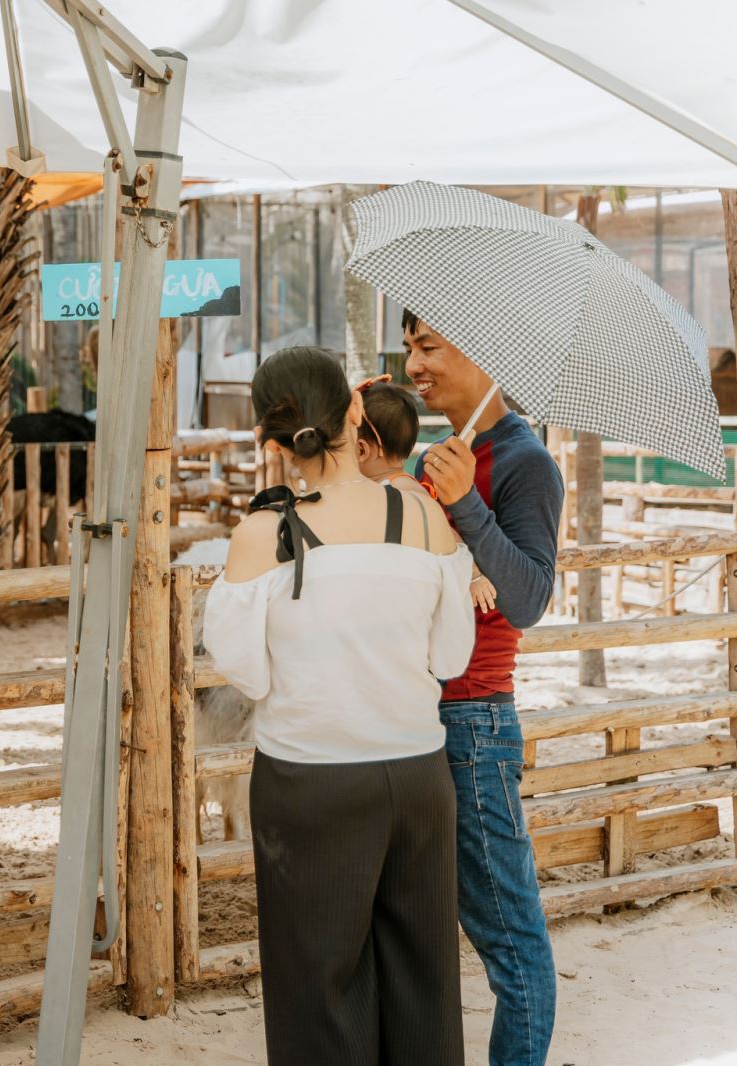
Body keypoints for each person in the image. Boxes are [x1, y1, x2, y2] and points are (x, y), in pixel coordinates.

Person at [206, 346, 476, 1065]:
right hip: (418, 777)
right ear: (356, 413)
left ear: (271, 439)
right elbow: (450, 659)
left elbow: (241, 670)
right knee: (423, 983)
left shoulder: (263, 535)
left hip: (310, 784)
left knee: (318, 989)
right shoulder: (425, 521)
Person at [406, 311, 563, 1066]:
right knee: (417, 928)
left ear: (486, 352)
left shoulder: (527, 462)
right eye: (408, 348)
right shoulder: (436, 455)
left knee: (510, 938)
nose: (414, 365)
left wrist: (466, 501)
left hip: (472, 726)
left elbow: (530, 598)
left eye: (428, 345)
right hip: (405, 716)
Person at [355, 374, 498, 613]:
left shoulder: (402, 491)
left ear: (362, 449)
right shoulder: (380, 489)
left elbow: (447, 532)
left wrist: (474, 576)